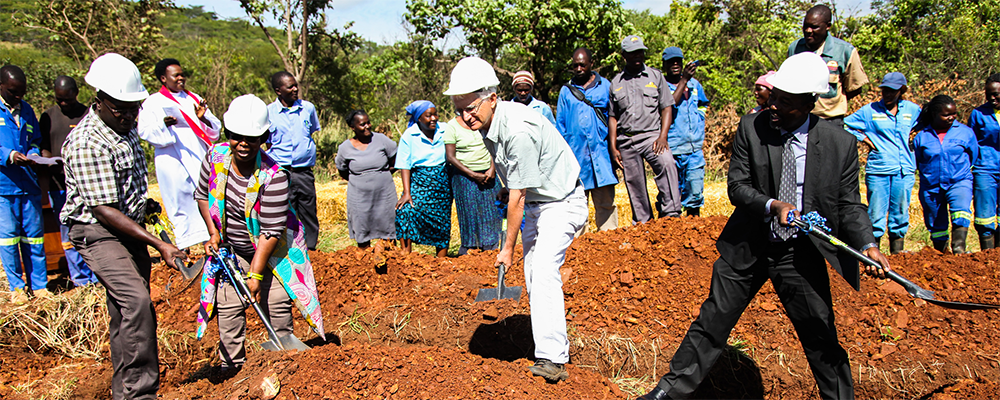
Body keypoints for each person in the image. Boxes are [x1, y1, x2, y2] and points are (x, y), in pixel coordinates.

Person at [637, 52, 891, 400]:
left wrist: (868, 244)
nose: (773, 105)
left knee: (820, 334)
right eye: (773, 95)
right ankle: (667, 393)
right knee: (712, 323)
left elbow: (849, 204)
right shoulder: (751, 128)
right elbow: (737, 188)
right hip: (750, 244)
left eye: (784, 101)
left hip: (799, 253)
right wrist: (773, 205)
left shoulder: (839, 144)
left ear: (808, 103)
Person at [446, 56, 587, 382]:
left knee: (542, 268)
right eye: (460, 110)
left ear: (492, 98)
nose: (466, 117)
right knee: (532, 272)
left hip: (562, 201)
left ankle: (553, 359)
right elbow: (508, 166)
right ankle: (546, 348)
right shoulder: (489, 121)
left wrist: (507, 248)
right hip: (540, 202)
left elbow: (519, 197)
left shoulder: (519, 129)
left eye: (471, 108)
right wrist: (504, 183)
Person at [62, 53, 186, 400]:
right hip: (98, 232)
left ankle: (125, 392)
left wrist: (143, 205)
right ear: (99, 101)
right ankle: (141, 394)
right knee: (136, 302)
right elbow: (103, 209)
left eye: (135, 108)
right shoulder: (87, 141)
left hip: (127, 228)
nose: (131, 116)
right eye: (123, 109)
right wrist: (159, 244)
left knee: (125, 314)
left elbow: (124, 186)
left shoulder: (123, 125)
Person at [194, 94, 325, 371]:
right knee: (228, 307)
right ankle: (231, 370)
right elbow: (202, 196)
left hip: (274, 252)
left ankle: (284, 367)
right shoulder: (215, 156)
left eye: (252, 138)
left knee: (276, 303)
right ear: (228, 133)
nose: (243, 144)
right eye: (236, 136)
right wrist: (213, 234)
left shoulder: (274, 176)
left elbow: (271, 231)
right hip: (230, 249)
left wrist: (255, 274)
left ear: (264, 137)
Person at [138, 58, 220, 251]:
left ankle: (212, 238)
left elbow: (214, 129)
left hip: (197, 153)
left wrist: (203, 119)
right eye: (176, 75)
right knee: (179, 199)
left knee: (205, 195)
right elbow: (145, 131)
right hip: (171, 156)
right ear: (163, 79)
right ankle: (185, 246)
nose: (181, 78)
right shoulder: (152, 102)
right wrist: (163, 125)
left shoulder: (194, 98)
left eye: (182, 74)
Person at [844, 72, 920, 254]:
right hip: (879, 168)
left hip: (904, 168)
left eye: (892, 91)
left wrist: (915, 138)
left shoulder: (912, 110)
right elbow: (845, 124)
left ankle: (897, 253)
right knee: (876, 214)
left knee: (900, 212)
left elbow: (925, 124)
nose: (887, 94)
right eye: (885, 90)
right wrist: (865, 140)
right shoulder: (870, 111)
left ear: (901, 90)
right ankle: (873, 253)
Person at [609, 35, 682, 223]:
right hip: (626, 140)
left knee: (667, 164)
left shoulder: (655, 76)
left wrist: (663, 136)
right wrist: (613, 147)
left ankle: (671, 214)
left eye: (640, 52)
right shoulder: (616, 83)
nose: (638, 56)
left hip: (652, 136)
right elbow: (613, 117)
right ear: (624, 55)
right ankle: (643, 223)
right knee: (634, 182)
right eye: (633, 53)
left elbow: (667, 107)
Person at [39, 75, 96, 287]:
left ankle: (96, 275)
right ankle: (80, 278)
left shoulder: (88, 114)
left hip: (86, 185)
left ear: (76, 94)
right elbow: (43, 145)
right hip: (59, 185)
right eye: (59, 99)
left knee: (90, 229)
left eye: (67, 99)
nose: (63, 103)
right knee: (67, 233)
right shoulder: (48, 116)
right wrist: (48, 161)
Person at [0, 64, 49, 303]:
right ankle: (17, 289)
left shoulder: (27, 110)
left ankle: (39, 286)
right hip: (4, 186)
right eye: (13, 91)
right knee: (9, 238)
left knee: (34, 238)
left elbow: (35, 139)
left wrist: (33, 153)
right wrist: (9, 155)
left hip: (28, 184)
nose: (18, 96)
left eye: (22, 91)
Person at [556, 47, 619, 232]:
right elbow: (561, 127)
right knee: (577, 209)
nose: (578, 69)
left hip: (602, 158)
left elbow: (615, 118)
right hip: (576, 160)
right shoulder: (566, 92)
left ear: (591, 64)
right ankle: (579, 251)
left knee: (606, 205)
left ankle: (609, 244)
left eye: (582, 65)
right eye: (575, 65)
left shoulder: (606, 86)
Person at [912, 95, 978, 254]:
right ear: (934, 114)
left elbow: (973, 155)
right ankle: (942, 255)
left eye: (954, 114)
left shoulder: (965, 132)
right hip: (931, 186)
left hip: (959, 181)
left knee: (960, 212)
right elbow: (919, 160)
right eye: (946, 115)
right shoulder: (922, 136)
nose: (952, 117)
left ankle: (959, 248)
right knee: (936, 223)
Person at [788, 4, 869, 126]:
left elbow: (854, 88)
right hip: (799, 119)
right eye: (806, 26)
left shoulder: (844, 51)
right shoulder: (795, 48)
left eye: (814, 27)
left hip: (830, 121)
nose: (808, 31)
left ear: (828, 26)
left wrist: (830, 106)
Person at [266, 71, 320, 250]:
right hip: (281, 172)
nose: (295, 89)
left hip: (303, 171)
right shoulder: (268, 113)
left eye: (295, 85)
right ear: (278, 91)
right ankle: (287, 249)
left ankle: (311, 249)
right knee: (283, 211)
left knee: (309, 210)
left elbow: (310, 131)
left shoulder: (308, 108)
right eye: (290, 87)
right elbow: (266, 142)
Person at [394, 100, 451, 257]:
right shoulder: (410, 135)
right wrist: (407, 192)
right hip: (420, 182)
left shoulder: (445, 129)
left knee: (442, 220)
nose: (433, 118)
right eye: (428, 115)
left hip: (442, 183)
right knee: (405, 212)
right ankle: (406, 255)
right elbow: (404, 165)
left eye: (435, 114)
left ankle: (442, 260)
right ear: (419, 118)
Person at [335, 110, 398, 248]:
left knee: (388, 226)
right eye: (362, 124)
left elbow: (396, 159)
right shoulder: (345, 148)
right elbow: (343, 170)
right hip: (359, 195)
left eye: (368, 122)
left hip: (384, 192)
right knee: (362, 225)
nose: (367, 126)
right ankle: (365, 261)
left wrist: (381, 174)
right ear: (353, 127)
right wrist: (361, 179)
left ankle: (392, 260)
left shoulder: (381, 139)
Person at [442, 113, 503, 254]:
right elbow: (450, 157)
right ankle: (470, 249)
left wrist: (492, 169)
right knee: (469, 214)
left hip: (488, 174)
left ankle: (491, 248)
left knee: (492, 211)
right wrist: (473, 174)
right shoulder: (452, 126)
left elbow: (494, 146)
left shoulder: (484, 122)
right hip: (464, 176)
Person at [662, 47, 710, 217]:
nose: (675, 65)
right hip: (672, 149)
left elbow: (704, 103)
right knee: (670, 196)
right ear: (664, 64)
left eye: (678, 61)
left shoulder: (695, 84)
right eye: (671, 62)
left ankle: (693, 231)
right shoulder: (662, 85)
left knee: (695, 193)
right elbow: (671, 102)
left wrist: (700, 118)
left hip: (694, 149)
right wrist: (684, 80)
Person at [969, 73, 1000, 251]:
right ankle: (986, 255)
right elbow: (971, 142)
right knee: (984, 214)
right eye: (989, 94)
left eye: (996, 94)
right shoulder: (978, 114)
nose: (992, 98)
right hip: (985, 168)